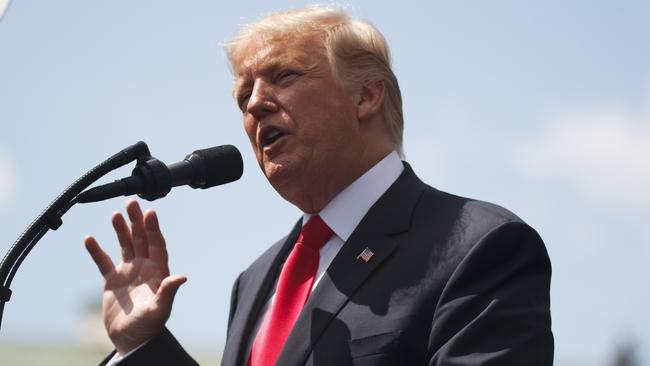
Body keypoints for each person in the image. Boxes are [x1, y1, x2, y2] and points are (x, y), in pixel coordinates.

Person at [85, 5, 554, 366]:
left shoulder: (478, 245)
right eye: (243, 96)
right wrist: (143, 345)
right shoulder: (254, 281)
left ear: (366, 94)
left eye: (283, 76)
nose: (255, 106)